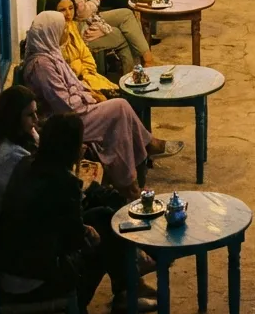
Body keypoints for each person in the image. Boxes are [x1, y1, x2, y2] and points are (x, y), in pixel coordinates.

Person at [0, 112, 156, 314]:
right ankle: (104, 296)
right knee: (102, 238)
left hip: (16, 265)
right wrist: (87, 234)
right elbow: (73, 242)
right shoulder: (64, 182)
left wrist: (83, 228)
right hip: (34, 279)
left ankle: (128, 284)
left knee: (103, 216)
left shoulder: (27, 165)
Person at [22, 12, 179, 198]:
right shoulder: (42, 66)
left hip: (75, 110)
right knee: (119, 109)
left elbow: (74, 86)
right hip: (63, 123)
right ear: (50, 33)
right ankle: (134, 173)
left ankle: (130, 181)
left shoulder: (50, 54)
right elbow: (64, 104)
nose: (66, 32)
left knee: (118, 119)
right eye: (62, 29)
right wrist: (89, 98)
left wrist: (89, 94)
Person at [44, 0, 119, 96]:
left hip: (87, 75)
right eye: (62, 10)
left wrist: (84, 70)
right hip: (72, 86)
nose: (68, 14)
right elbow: (65, 70)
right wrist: (79, 66)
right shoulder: (52, 35)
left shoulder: (72, 25)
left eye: (71, 8)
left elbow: (86, 56)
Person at [0, 85, 39, 210]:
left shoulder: (9, 138)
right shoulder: (11, 156)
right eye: (30, 115)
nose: (36, 119)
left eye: (36, 112)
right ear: (13, 118)